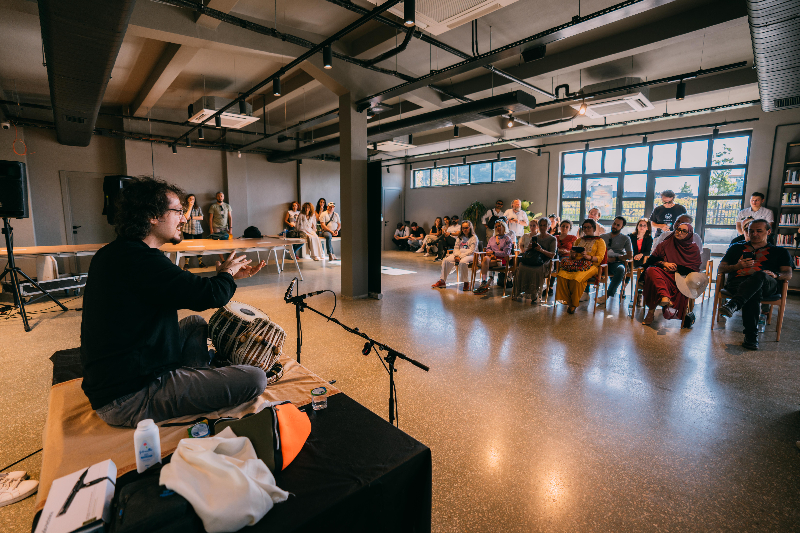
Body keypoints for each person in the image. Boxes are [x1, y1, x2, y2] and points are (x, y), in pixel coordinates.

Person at [80, 177, 267, 427]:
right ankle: (194, 381)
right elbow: (209, 295)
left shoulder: (117, 252)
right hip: (131, 396)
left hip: (123, 370)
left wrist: (224, 276)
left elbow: (188, 289)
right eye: (178, 211)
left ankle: (195, 378)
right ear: (152, 216)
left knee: (193, 323)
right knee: (256, 379)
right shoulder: (142, 261)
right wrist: (227, 275)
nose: (184, 218)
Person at [718, 219, 792, 350]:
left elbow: (788, 274)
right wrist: (737, 265)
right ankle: (751, 337)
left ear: (768, 232)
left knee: (760, 275)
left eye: (759, 231)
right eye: (751, 231)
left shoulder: (779, 251)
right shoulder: (736, 248)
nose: (754, 234)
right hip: (739, 283)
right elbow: (721, 269)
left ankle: (733, 304)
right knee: (753, 292)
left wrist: (776, 275)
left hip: (767, 285)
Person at [640, 221, 701, 326]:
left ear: (689, 234)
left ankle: (651, 313)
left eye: (684, 231)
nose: (679, 232)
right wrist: (664, 263)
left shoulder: (693, 249)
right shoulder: (665, 243)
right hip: (662, 273)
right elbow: (651, 261)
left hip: (680, 278)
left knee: (655, 282)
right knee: (651, 271)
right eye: (678, 229)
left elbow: (694, 269)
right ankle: (664, 296)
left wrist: (676, 268)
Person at [555, 219, 606, 314]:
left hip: (592, 265)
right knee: (561, 274)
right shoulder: (579, 240)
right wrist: (573, 254)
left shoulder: (600, 241)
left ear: (594, 228)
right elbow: (572, 256)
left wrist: (588, 257)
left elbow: (600, 258)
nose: (586, 229)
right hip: (576, 264)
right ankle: (568, 300)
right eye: (584, 227)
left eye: (589, 227)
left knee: (577, 278)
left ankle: (573, 304)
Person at [513, 218, 557, 304]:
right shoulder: (535, 237)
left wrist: (541, 250)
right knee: (521, 267)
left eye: (544, 225)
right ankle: (520, 291)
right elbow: (528, 251)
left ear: (548, 227)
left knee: (536, 269)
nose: (542, 227)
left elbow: (552, 255)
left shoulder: (552, 239)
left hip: (545, 261)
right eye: (541, 225)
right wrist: (529, 248)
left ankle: (534, 293)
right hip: (534, 259)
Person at [431, 220, 478, 291]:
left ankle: (466, 282)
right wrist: (456, 255)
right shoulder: (460, 237)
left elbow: (472, 250)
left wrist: (460, 257)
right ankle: (442, 281)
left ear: (470, 228)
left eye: (466, 228)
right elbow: (456, 248)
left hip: (470, 255)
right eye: (463, 228)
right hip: (459, 253)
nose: (464, 229)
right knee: (446, 260)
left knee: (463, 262)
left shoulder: (474, 237)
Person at [597, 216, 633, 304]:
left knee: (621, 269)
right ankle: (585, 293)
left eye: (618, 225)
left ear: (622, 227)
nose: (615, 226)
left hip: (616, 262)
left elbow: (630, 255)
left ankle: (607, 295)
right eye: (614, 224)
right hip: (602, 262)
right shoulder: (602, 237)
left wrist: (615, 258)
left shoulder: (625, 238)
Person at [473, 220, 514, 295]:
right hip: (492, 258)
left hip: (502, 260)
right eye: (496, 227)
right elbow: (488, 249)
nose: (497, 228)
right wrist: (491, 254)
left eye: (499, 226)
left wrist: (494, 253)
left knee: (484, 262)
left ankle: (486, 283)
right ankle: (484, 281)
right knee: (485, 258)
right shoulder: (492, 238)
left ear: (504, 227)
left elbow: (506, 253)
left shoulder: (507, 239)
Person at [181, 193, 205, 270]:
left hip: (197, 229)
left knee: (199, 246)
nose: (192, 200)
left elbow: (201, 217)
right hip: (187, 229)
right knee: (187, 246)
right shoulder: (184, 208)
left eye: (193, 199)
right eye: (190, 199)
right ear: (187, 200)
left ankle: (200, 262)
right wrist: (190, 207)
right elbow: (186, 217)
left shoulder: (198, 208)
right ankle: (186, 263)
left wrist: (192, 217)